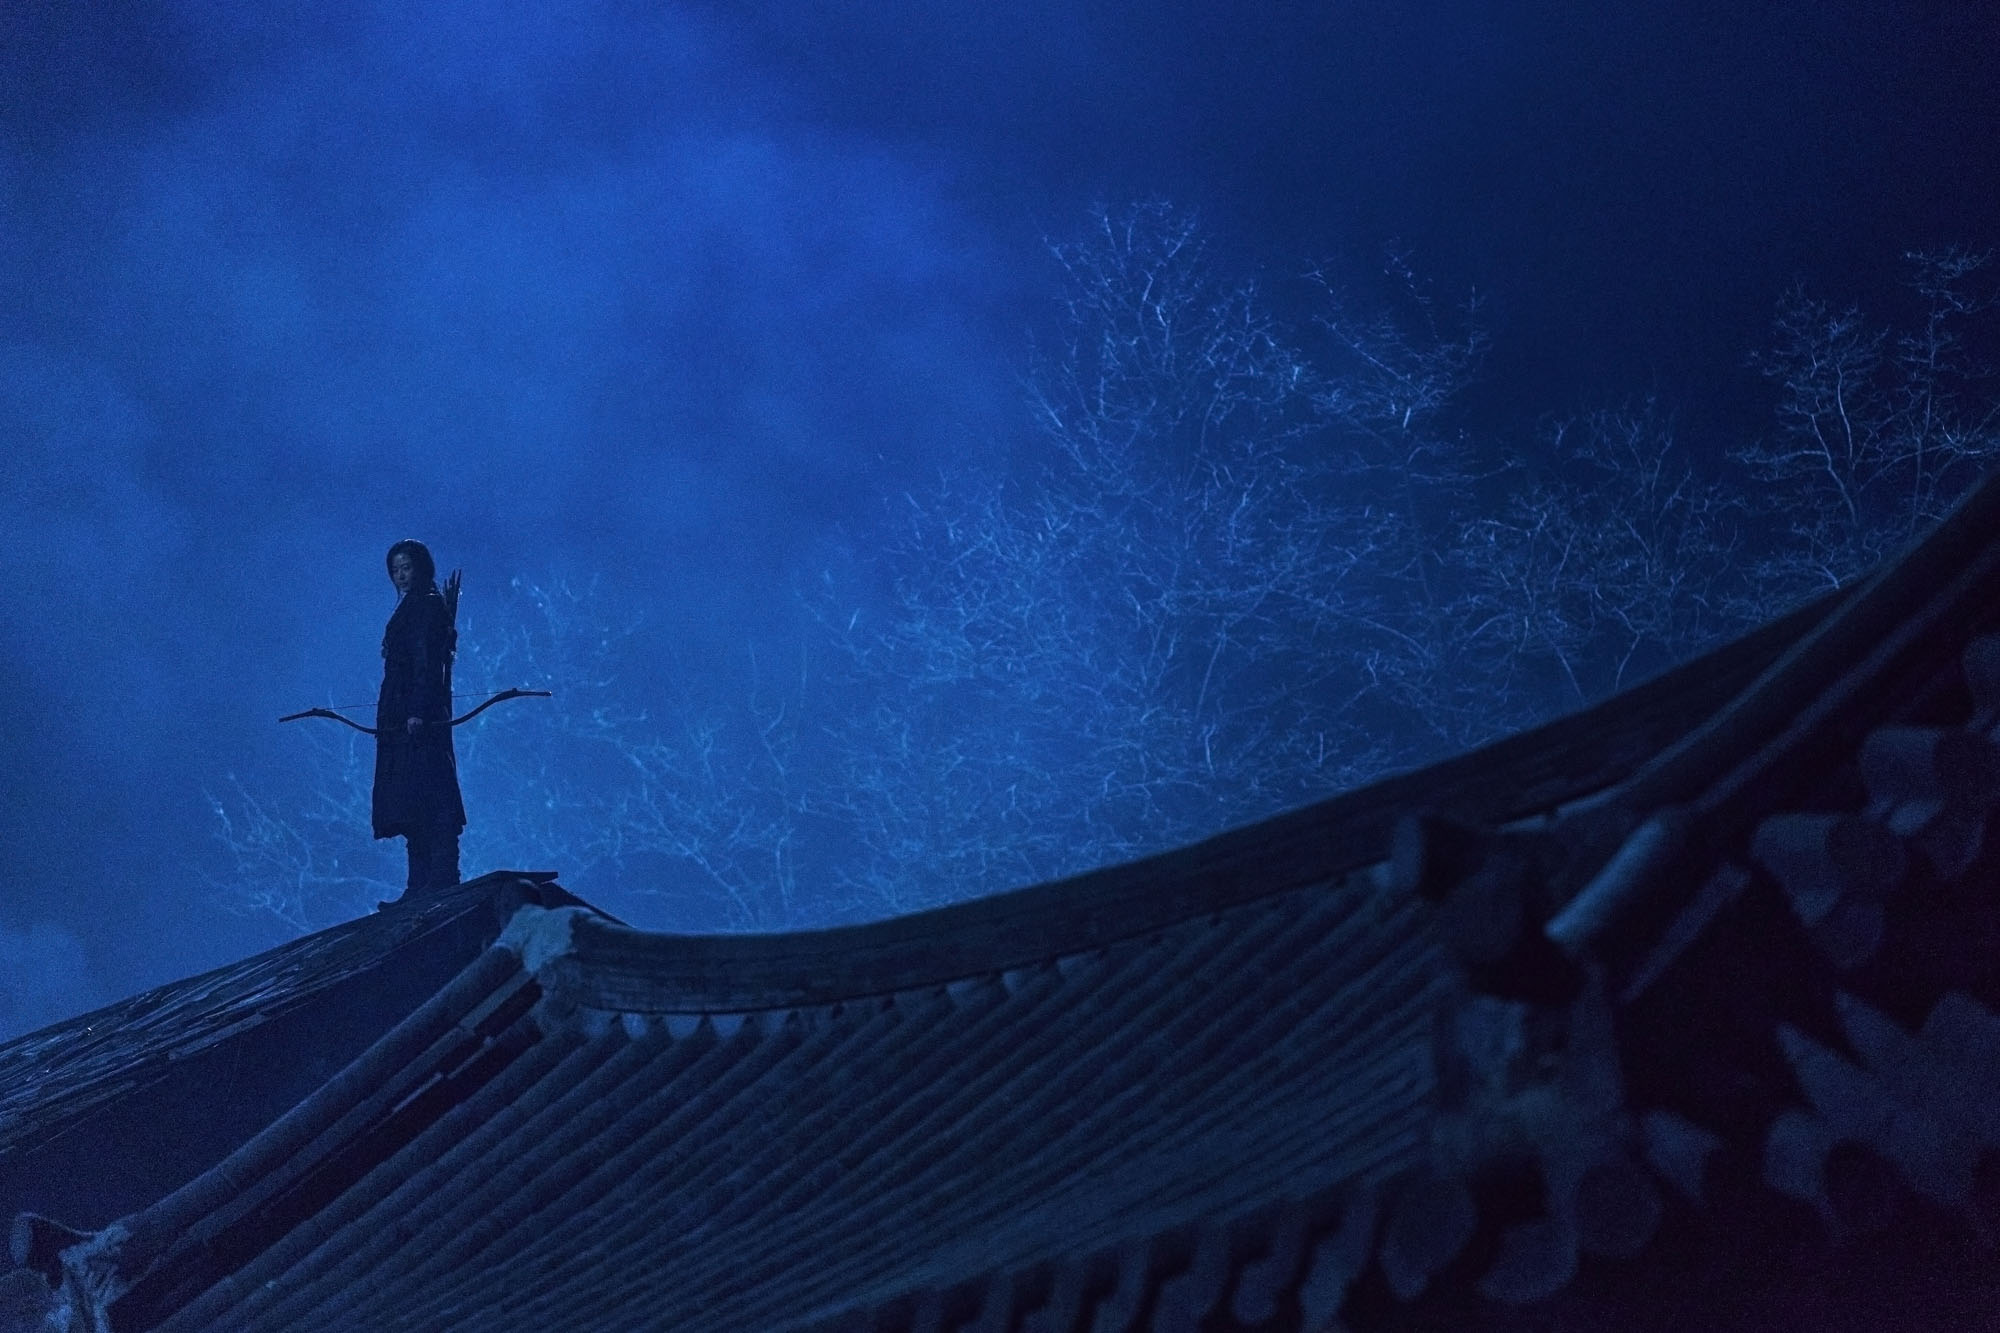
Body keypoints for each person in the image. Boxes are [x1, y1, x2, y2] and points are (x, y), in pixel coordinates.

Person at [375, 540, 467, 898]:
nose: (400, 576)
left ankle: (441, 875)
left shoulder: (427, 606)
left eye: (406, 568)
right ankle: (417, 884)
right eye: (395, 570)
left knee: (432, 792)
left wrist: (417, 710)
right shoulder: (410, 607)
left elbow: (427, 662)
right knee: (408, 797)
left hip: (420, 718)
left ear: (421, 568)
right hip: (399, 717)